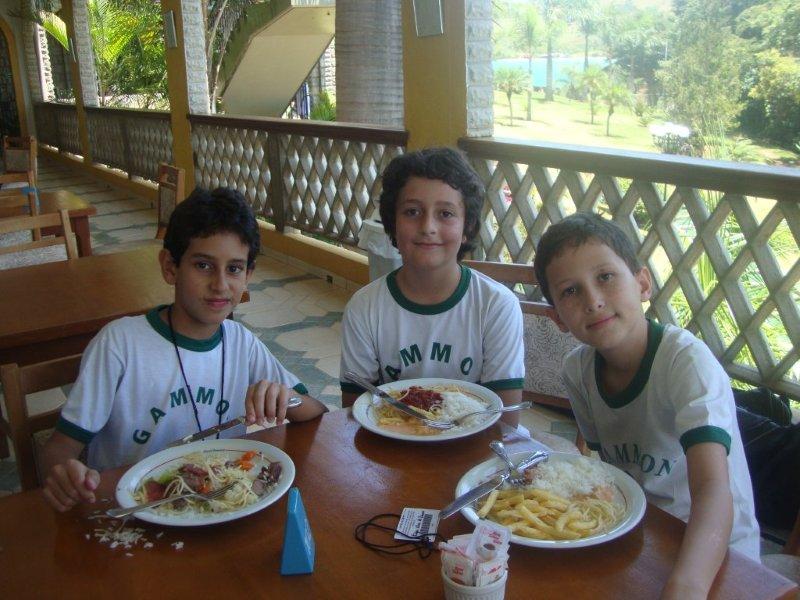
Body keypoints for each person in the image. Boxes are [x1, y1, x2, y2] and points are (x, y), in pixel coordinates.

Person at [41, 187, 327, 512]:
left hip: (218, 507)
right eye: (203, 265)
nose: (220, 284)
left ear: (247, 276)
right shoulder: (119, 345)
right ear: (170, 267)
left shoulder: (241, 343)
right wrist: (65, 475)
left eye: (234, 269)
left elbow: (317, 411)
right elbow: (58, 450)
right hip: (131, 512)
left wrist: (285, 397)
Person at [533, 213, 759, 599]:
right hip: (637, 534)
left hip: (715, 553)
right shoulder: (578, 371)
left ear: (642, 283)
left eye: (605, 277)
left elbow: (712, 489)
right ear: (557, 317)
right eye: (570, 291)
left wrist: (687, 586)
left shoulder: (686, 362)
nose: (593, 301)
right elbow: (607, 468)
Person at [339, 148, 524, 423]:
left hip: (476, 443)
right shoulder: (364, 307)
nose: (428, 227)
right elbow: (356, 414)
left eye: (445, 213)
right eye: (412, 211)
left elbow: (505, 421)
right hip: (392, 443)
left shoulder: (496, 306)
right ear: (392, 223)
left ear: (468, 227)